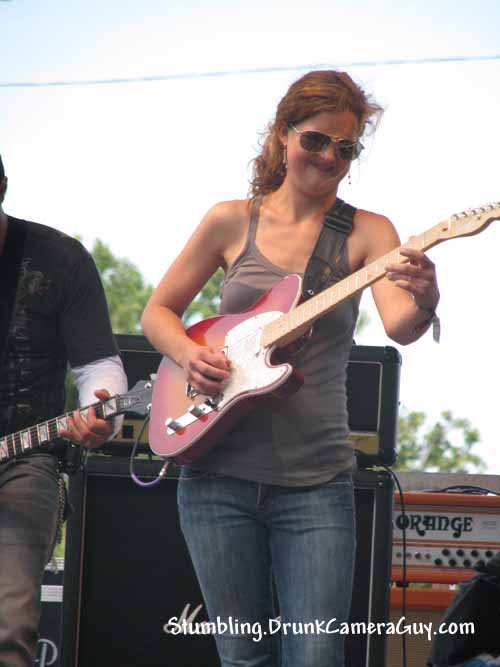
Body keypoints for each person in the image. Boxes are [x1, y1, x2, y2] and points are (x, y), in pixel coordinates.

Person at [141, 70, 440, 666]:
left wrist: (427, 297)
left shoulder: (370, 231)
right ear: (283, 133)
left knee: (317, 657)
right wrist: (188, 354)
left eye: (345, 149)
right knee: (243, 658)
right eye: (316, 140)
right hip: (216, 476)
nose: (329, 158)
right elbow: (158, 312)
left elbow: (401, 326)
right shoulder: (231, 220)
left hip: (316, 483)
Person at [0, 153, 127, 667]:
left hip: (22, 460)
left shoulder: (58, 258)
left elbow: (99, 366)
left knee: (8, 625)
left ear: (2, 187)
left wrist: (102, 413)